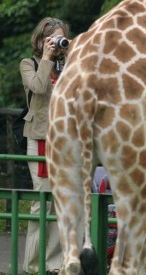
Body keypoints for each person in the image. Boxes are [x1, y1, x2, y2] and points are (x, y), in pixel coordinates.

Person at [20, 17, 70, 273]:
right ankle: (32, 266)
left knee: (60, 203)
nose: (56, 43)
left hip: (67, 140)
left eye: (60, 38)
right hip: (40, 138)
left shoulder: (68, 64)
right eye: (52, 38)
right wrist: (48, 58)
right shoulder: (29, 64)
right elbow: (38, 87)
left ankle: (52, 265)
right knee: (43, 201)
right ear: (41, 40)